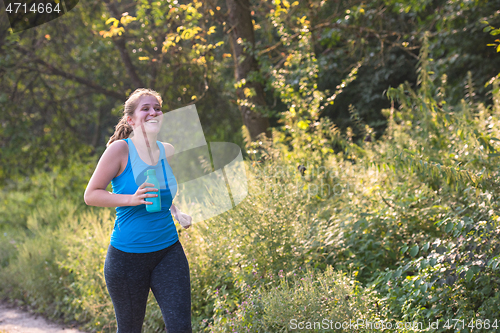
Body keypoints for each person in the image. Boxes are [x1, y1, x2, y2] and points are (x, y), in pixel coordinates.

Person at [84, 88, 193, 333]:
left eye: (157, 108)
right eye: (146, 108)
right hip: (127, 257)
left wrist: (176, 211)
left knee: (181, 328)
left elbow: (160, 191)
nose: (153, 112)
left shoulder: (167, 150)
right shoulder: (119, 150)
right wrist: (131, 200)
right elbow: (91, 195)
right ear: (131, 119)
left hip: (168, 251)